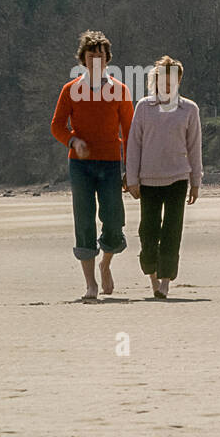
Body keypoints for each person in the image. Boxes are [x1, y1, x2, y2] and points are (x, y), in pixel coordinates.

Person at [51, 30, 133, 302]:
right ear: (83, 60)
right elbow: (57, 126)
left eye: (100, 56)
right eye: (90, 56)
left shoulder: (120, 90)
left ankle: (105, 264)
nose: (95, 60)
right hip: (81, 166)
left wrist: (130, 169)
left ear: (108, 59)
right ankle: (90, 285)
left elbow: (130, 131)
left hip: (111, 163)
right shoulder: (70, 90)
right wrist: (73, 141)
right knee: (83, 221)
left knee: (113, 220)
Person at [125, 56, 202, 300]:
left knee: (171, 230)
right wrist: (132, 178)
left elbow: (195, 147)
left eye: (172, 79)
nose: (167, 84)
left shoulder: (189, 109)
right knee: (148, 231)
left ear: (179, 80)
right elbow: (134, 145)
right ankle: (152, 276)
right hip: (148, 179)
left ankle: (165, 281)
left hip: (178, 178)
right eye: (162, 79)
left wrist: (196, 182)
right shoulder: (144, 107)